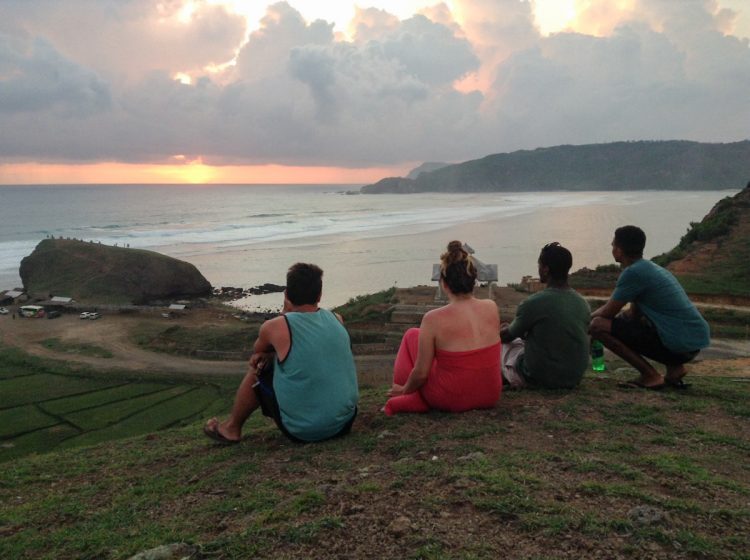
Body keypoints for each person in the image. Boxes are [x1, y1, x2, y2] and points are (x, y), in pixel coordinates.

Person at [203, 263, 358, 443]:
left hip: (304, 431)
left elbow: (258, 350)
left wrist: (285, 313)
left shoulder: (275, 326)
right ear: (320, 295)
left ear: (286, 294)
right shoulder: (337, 319)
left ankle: (231, 428)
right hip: (345, 422)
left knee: (259, 368)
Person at [383, 241, 501, 415]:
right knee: (419, 337)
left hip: (452, 398)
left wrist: (405, 389)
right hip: (491, 394)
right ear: (474, 281)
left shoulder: (433, 319)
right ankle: (415, 397)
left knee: (410, 336)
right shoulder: (491, 306)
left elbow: (421, 373)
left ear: (444, 284)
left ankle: (408, 396)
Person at [590, 225, 710, 389]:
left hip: (680, 345)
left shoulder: (633, 273)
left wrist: (584, 318)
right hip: (692, 342)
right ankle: (674, 368)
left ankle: (650, 376)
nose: (612, 248)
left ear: (619, 250)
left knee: (597, 326)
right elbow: (633, 314)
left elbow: (607, 312)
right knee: (622, 320)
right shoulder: (650, 268)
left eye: (613, 245)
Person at [499, 242, 591, 389]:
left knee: (504, 343)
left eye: (539, 265)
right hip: (573, 378)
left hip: (538, 378)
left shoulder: (533, 303)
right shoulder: (582, 303)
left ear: (546, 269)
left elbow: (507, 336)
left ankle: (504, 377)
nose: (538, 269)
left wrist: (503, 329)